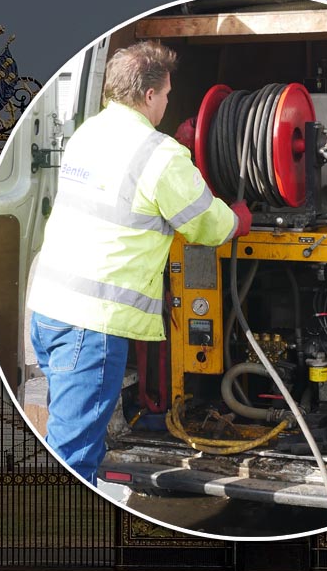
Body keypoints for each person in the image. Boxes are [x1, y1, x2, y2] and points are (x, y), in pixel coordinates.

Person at [26, 41, 251, 483]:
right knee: (73, 456)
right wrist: (239, 218)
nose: (168, 103)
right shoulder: (160, 155)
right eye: (166, 94)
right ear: (149, 95)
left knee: (68, 432)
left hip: (48, 310)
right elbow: (208, 226)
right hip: (92, 326)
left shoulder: (86, 133)